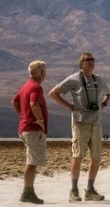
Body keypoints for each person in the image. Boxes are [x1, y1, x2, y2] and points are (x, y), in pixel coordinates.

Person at [49, 52, 110, 202]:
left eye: (92, 59)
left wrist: (103, 104)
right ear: (81, 63)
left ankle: (90, 190)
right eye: (87, 60)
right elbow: (53, 93)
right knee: (78, 156)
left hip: (96, 123)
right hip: (80, 123)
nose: (91, 62)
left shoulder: (99, 80)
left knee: (96, 157)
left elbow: (109, 93)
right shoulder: (74, 79)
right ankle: (74, 190)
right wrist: (70, 107)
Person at [11, 61, 48, 204]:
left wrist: (23, 116)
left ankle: (28, 192)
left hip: (25, 127)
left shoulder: (25, 86)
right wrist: (40, 120)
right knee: (32, 162)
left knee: (30, 160)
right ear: (42, 72)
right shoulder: (36, 87)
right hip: (33, 129)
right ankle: (28, 192)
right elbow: (33, 103)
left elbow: (14, 102)